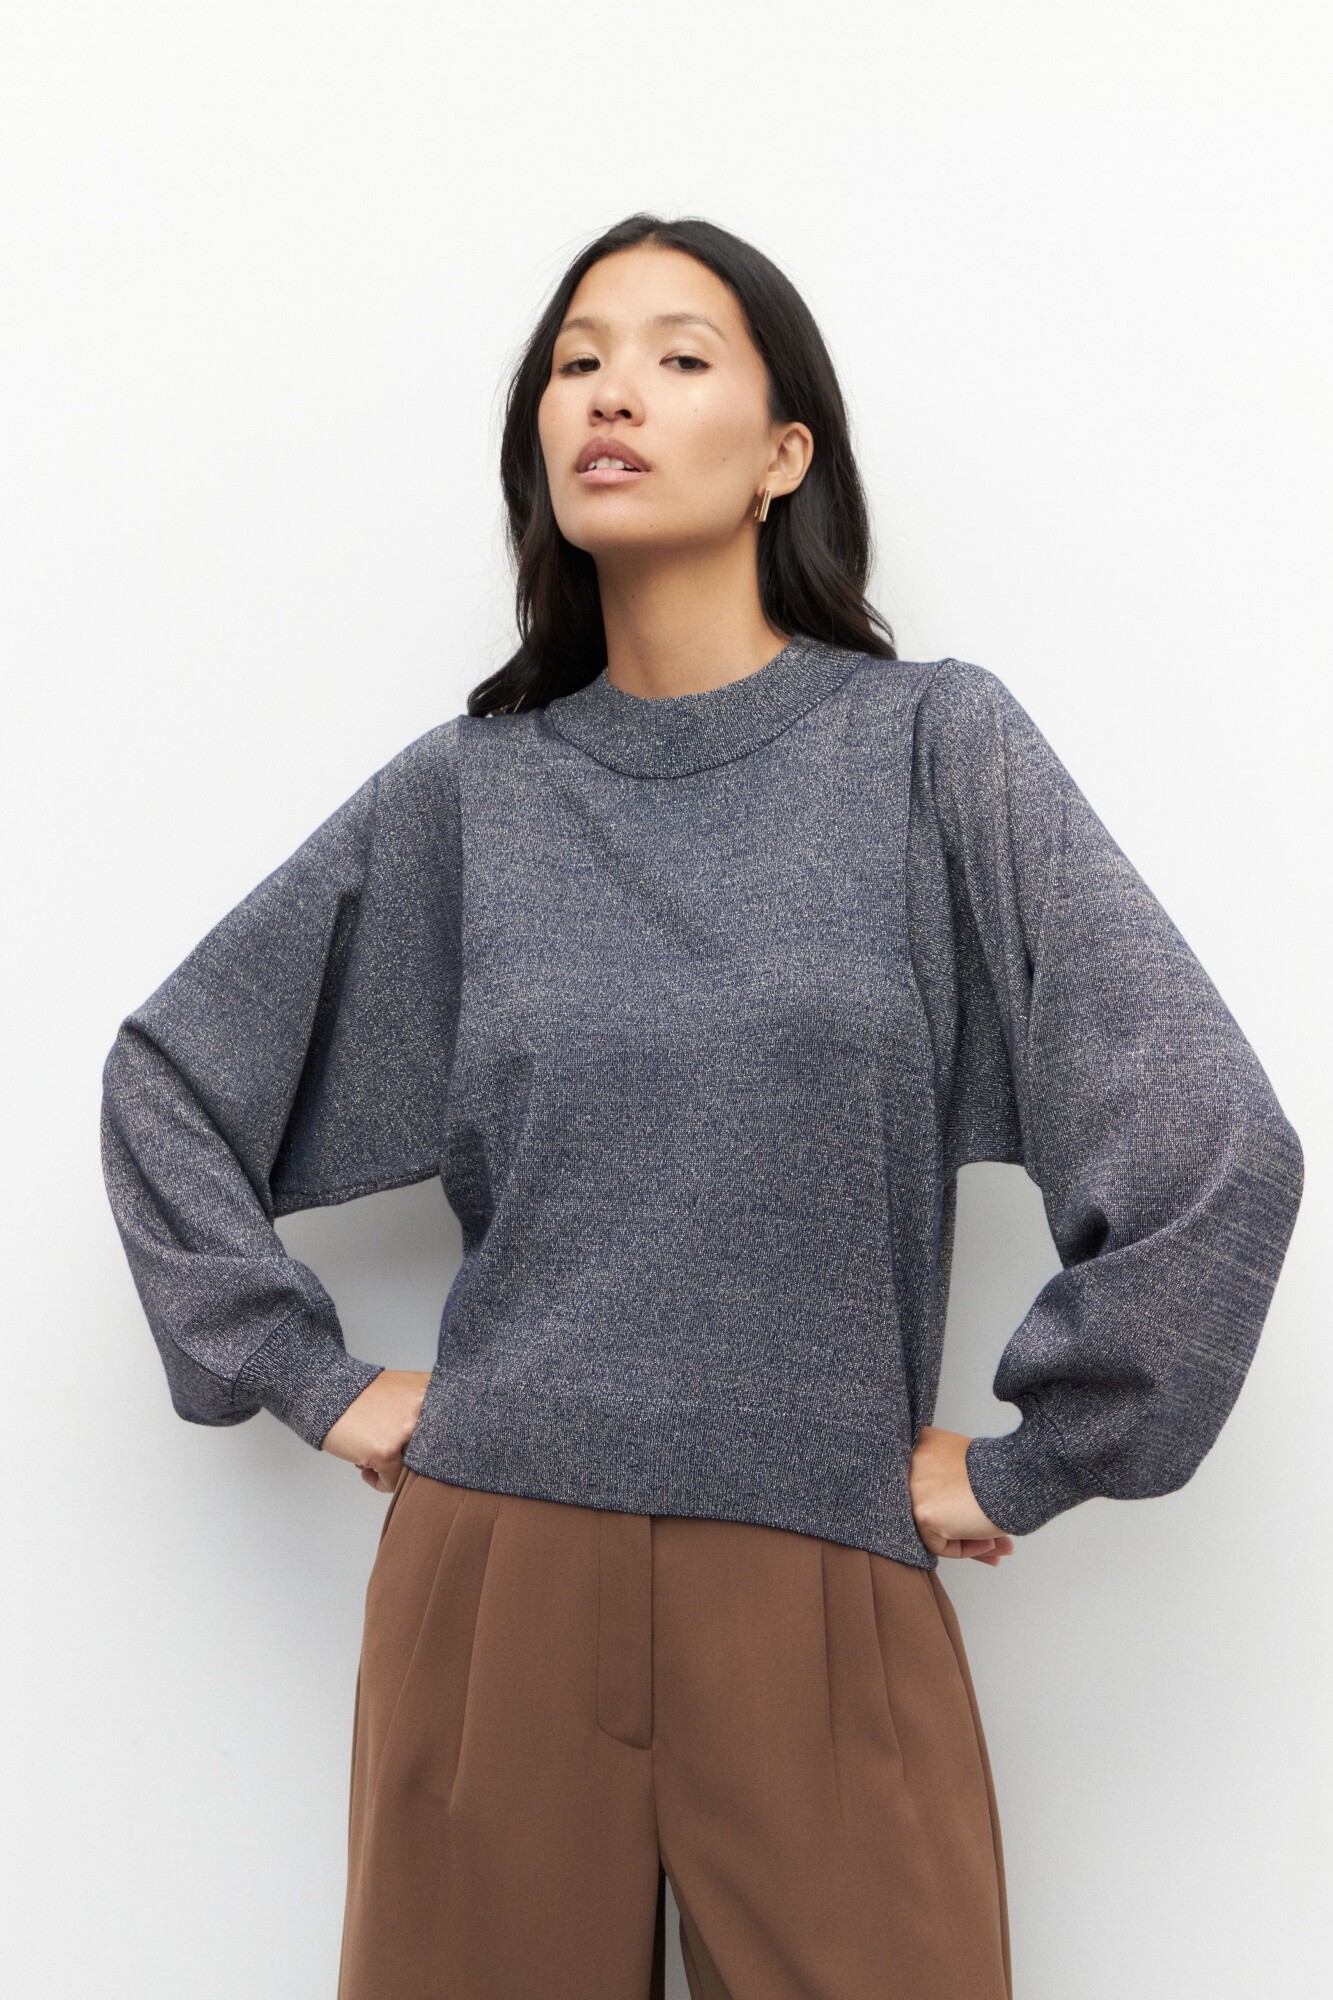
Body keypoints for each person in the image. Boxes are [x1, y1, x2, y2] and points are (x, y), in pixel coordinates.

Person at [99, 212, 1305, 2000]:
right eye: (577, 361)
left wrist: (1038, 1456)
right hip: (495, 1573)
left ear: (782, 454)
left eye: (678, 358)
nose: (613, 395)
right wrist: (314, 1380)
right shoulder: (467, 800)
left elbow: (1213, 1138)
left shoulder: (931, 752)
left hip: (822, 1575)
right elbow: (171, 1082)